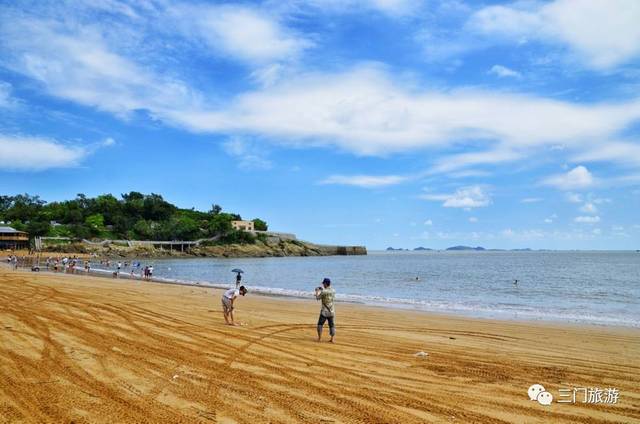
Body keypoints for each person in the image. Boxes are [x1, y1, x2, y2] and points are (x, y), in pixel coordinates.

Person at [315, 278, 336, 343]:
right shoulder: (333, 290)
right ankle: (332, 339)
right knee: (331, 325)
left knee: (320, 325)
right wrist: (322, 290)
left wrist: (317, 291)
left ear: (325, 284)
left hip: (324, 311)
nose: (323, 284)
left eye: (323, 283)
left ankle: (319, 338)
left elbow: (318, 298)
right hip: (331, 311)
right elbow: (328, 295)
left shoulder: (323, 292)